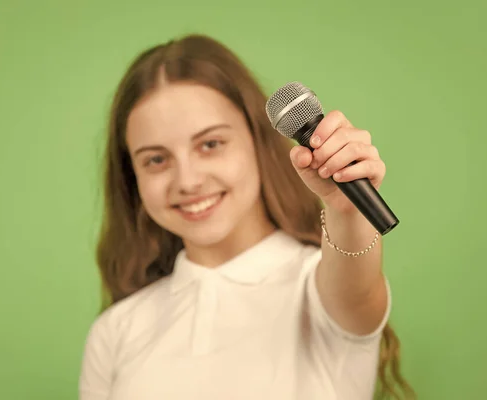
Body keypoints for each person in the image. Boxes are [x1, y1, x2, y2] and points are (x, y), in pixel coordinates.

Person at [78, 33, 414, 400]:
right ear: (133, 177)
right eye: (156, 160)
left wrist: (346, 209)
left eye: (211, 144)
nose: (188, 180)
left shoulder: (319, 292)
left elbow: (356, 291)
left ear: (259, 142)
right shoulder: (114, 331)